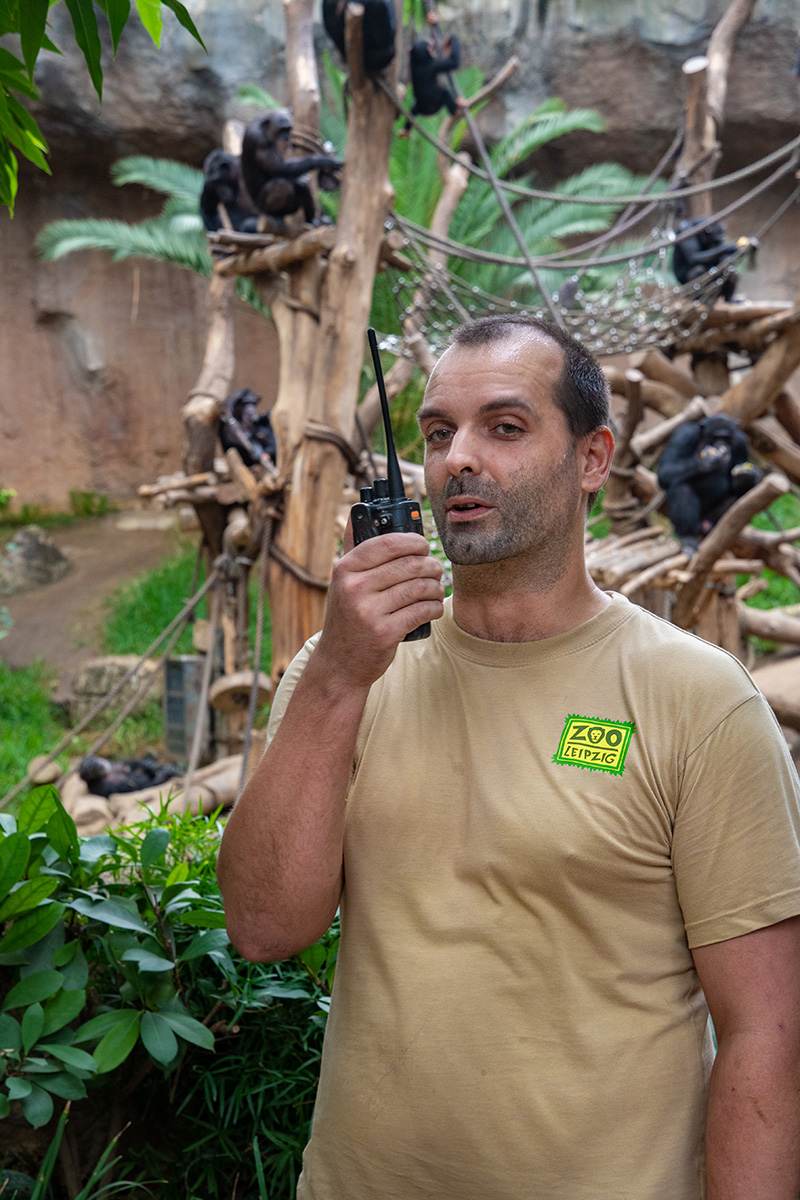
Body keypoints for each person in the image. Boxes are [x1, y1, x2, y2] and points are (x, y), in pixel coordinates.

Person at [217, 315, 800, 1200]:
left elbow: (768, 1031)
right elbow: (263, 927)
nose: (458, 459)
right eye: (439, 433)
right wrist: (335, 677)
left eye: (505, 427)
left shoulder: (696, 700)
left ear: (594, 458)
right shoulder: (345, 677)